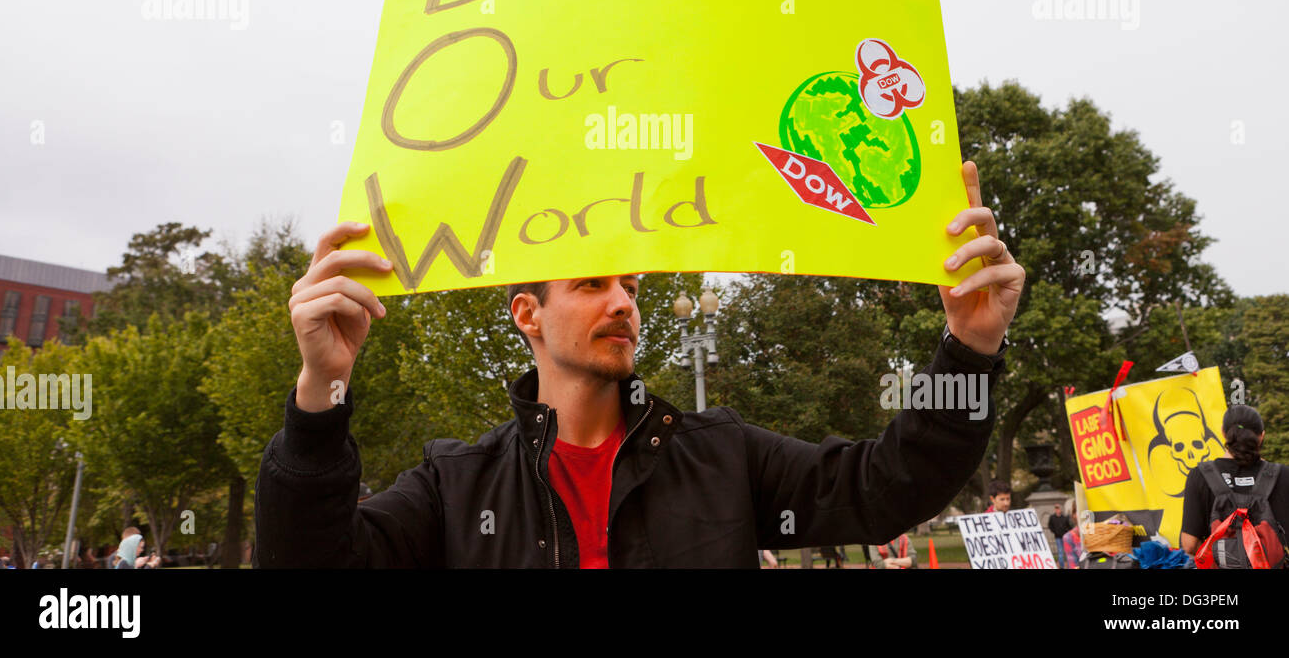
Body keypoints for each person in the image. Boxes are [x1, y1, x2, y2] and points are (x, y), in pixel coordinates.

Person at [254, 161, 1025, 568]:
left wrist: (972, 347)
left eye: (630, 284)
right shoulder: (456, 486)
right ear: (527, 315)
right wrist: (321, 389)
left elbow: (886, 489)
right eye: (592, 284)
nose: (622, 301)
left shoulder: (720, 454)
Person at [1180, 404, 1289, 564]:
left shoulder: (1200, 475)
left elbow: (1189, 545)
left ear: (1224, 433)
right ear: (1262, 436)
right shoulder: (1283, 475)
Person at [1048, 503, 1072, 568]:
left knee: (1067, 551)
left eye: (1058, 508)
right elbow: (1050, 526)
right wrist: (1054, 531)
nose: (1057, 509)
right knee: (1060, 551)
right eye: (1056, 508)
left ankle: (1069, 565)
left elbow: (1068, 526)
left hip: (1065, 537)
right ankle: (1062, 566)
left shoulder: (1064, 518)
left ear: (1060, 509)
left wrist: (1068, 532)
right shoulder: (1052, 517)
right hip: (1058, 537)